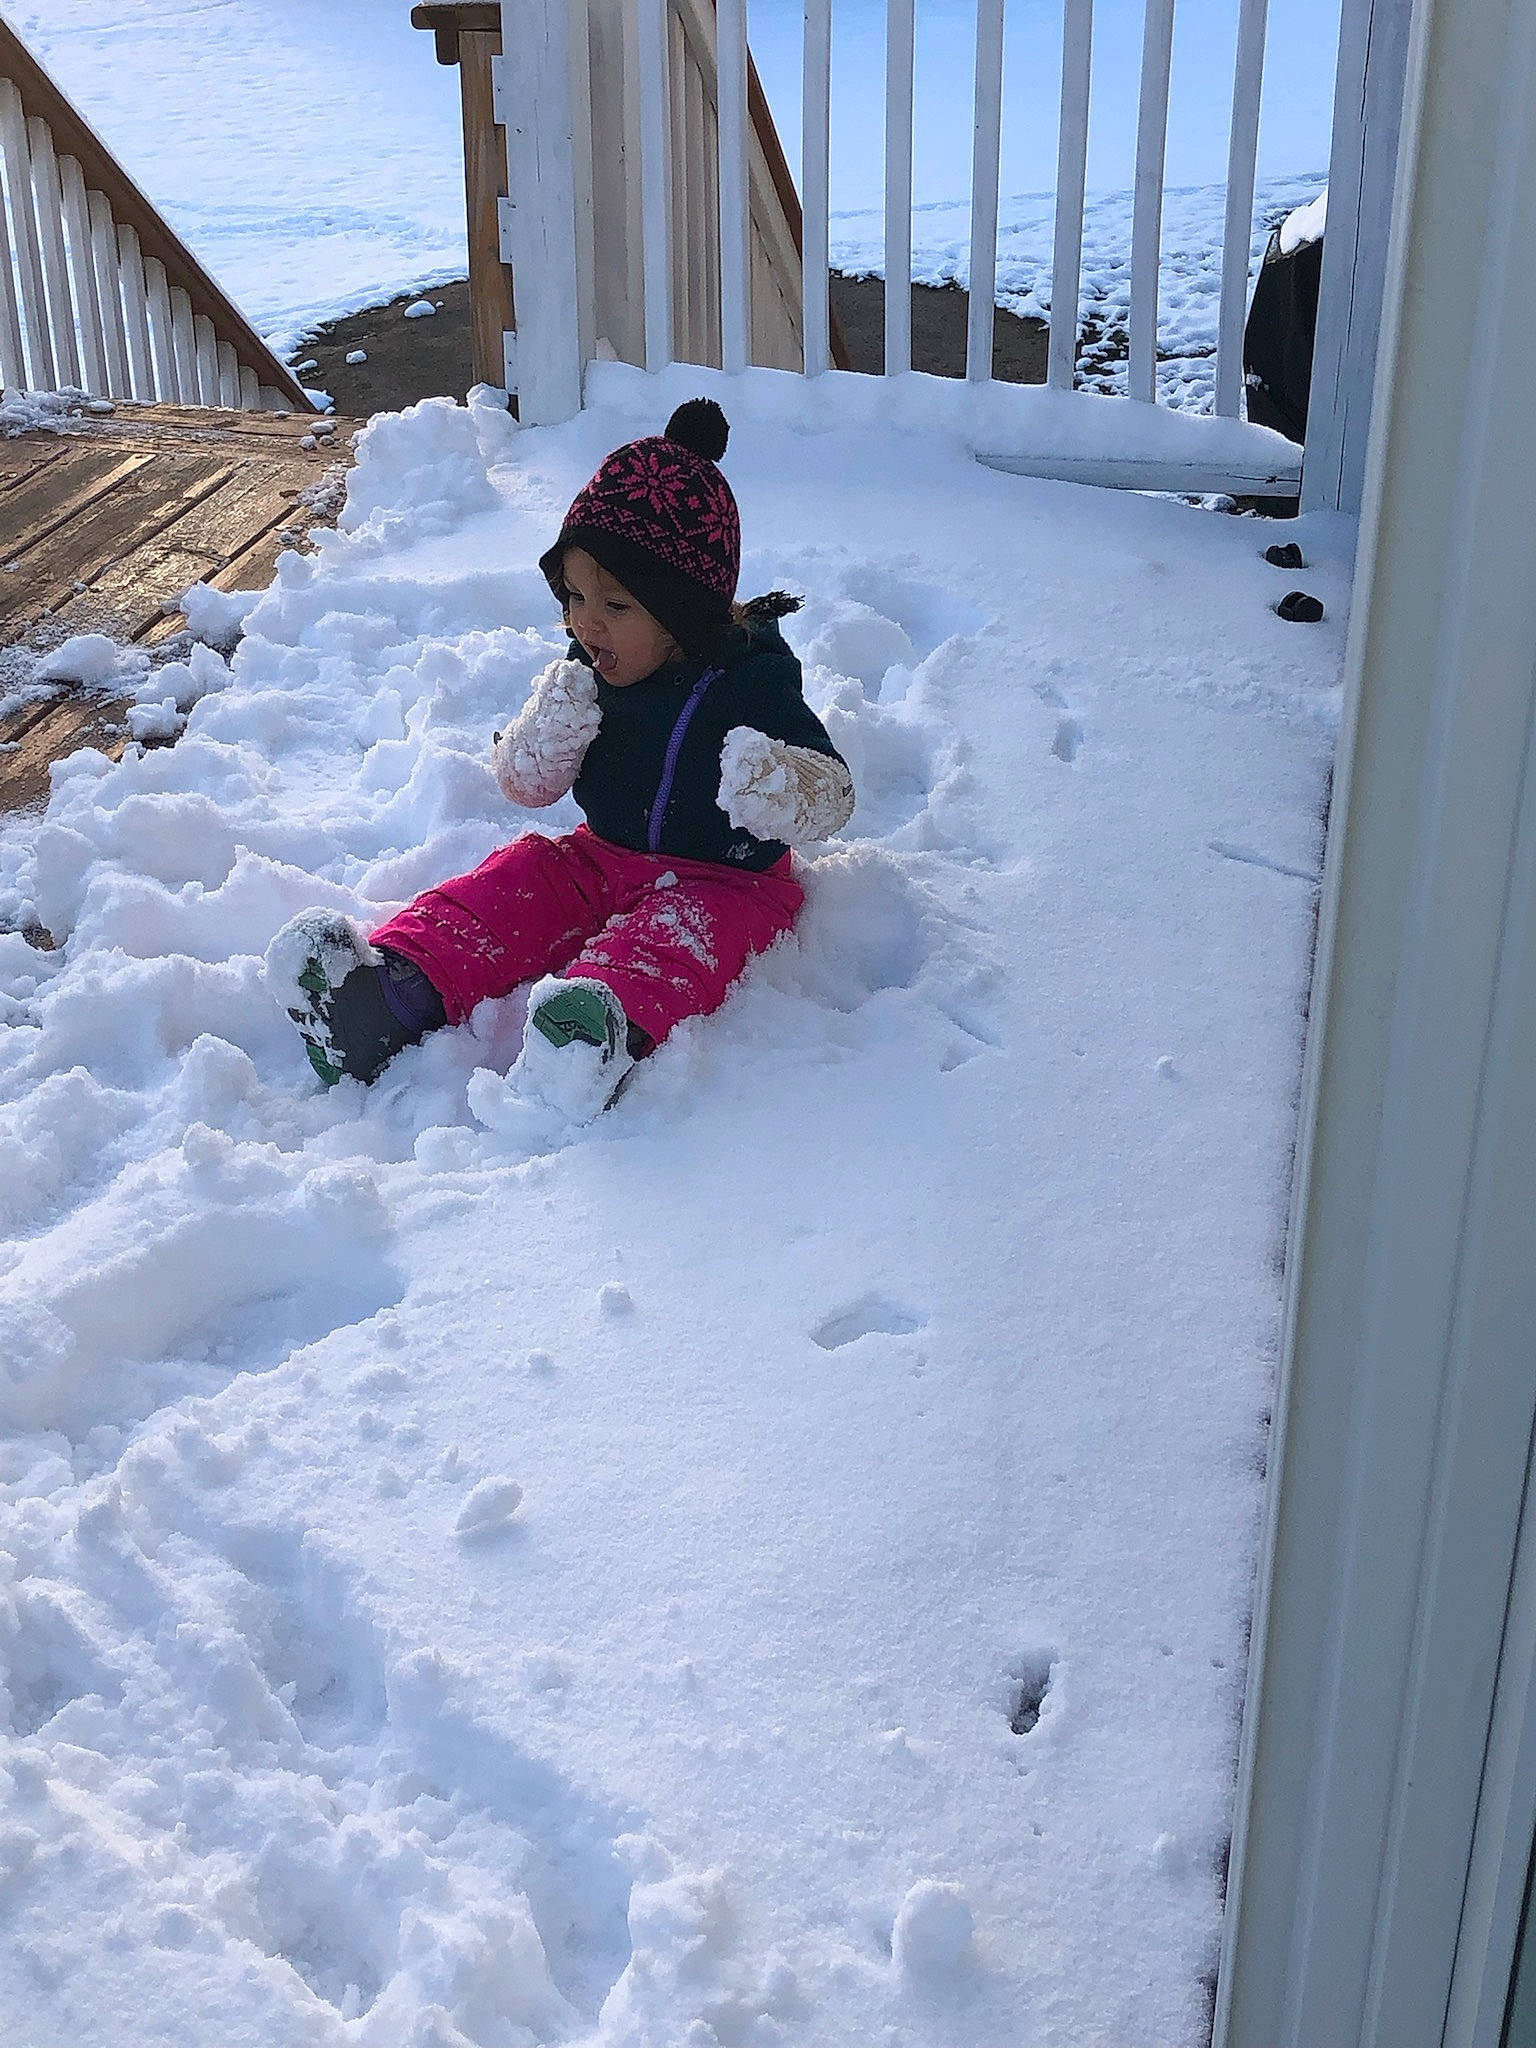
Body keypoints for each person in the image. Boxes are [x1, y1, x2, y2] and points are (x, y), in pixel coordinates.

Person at [265, 398, 855, 1121]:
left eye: (616, 604)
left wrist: (778, 783)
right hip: (600, 857)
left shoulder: (752, 678)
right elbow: (525, 784)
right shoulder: (589, 668)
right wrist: (550, 729)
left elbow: (832, 794)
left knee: (675, 942)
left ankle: (592, 1035)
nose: (585, 621)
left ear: (684, 609)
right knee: (519, 881)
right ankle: (384, 998)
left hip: (726, 881)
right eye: (573, 596)